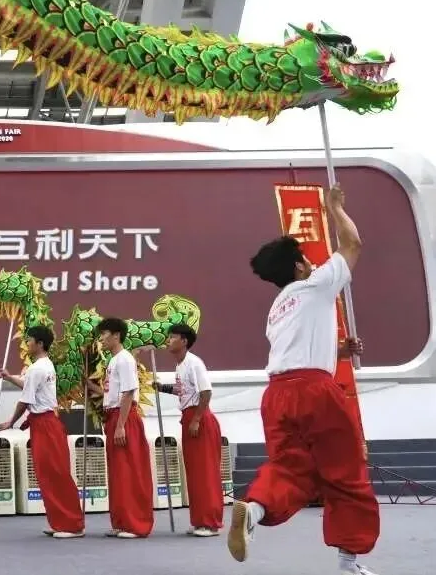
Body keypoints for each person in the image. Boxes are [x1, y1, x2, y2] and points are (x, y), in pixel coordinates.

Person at [229, 184, 379, 575]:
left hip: (277, 395)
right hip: (316, 392)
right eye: (306, 260)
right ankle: (349, 560)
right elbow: (353, 244)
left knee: (290, 468)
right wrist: (335, 208)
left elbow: (295, 351)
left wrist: (338, 351)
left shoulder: (277, 309)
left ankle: (254, 510)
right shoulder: (316, 284)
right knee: (346, 472)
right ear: (299, 267)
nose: (312, 263)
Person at [0, 325, 85, 539]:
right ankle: (59, 521)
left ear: (40, 343)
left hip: (46, 425)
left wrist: (10, 422)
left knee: (56, 474)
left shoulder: (37, 368)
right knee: (47, 475)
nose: (27, 343)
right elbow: (30, 387)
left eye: (29, 340)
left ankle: (72, 525)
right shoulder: (44, 365)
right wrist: (9, 378)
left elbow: (25, 400)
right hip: (43, 424)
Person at [152, 322, 223, 537]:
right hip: (189, 418)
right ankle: (200, 520)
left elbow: (205, 392)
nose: (168, 341)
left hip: (200, 419)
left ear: (184, 341)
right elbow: (182, 390)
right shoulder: (180, 366)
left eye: (173, 337)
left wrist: (197, 420)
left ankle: (211, 522)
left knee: (205, 472)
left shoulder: (194, 363)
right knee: (194, 473)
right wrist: (161, 387)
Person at [86, 317, 154, 539]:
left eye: (105, 334)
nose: (102, 339)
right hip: (114, 416)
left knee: (129, 471)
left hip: (124, 418)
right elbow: (112, 393)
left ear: (116, 335)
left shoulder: (124, 359)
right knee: (118, 473)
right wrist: (90, 386)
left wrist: (121, 426)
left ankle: (136, 525)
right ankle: (122, 521)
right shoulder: (114, 360)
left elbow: (128, 392)